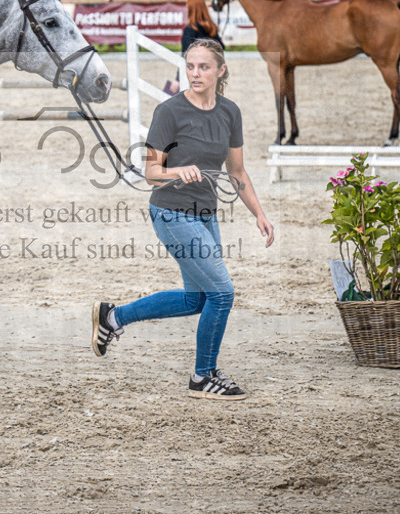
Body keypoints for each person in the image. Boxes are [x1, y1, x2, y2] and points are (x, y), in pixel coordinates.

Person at [92, 37, 274, 401]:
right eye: (190, 66)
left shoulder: (229, 112)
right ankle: (203, 376)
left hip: (206, 215)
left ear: (221, 70)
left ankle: (113, 317)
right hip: (171, 212)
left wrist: (259, 213)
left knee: (198, 300)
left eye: (203, 67)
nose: (195, 73)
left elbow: (237, 171)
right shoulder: (170, 111)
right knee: (222, 294)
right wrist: (178, 171)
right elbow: (150, 172)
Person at [165, 0, 224, 95]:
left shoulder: (190, 30)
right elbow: (221, 48)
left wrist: (177, 79)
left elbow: (185, 56)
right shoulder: (212, 29)